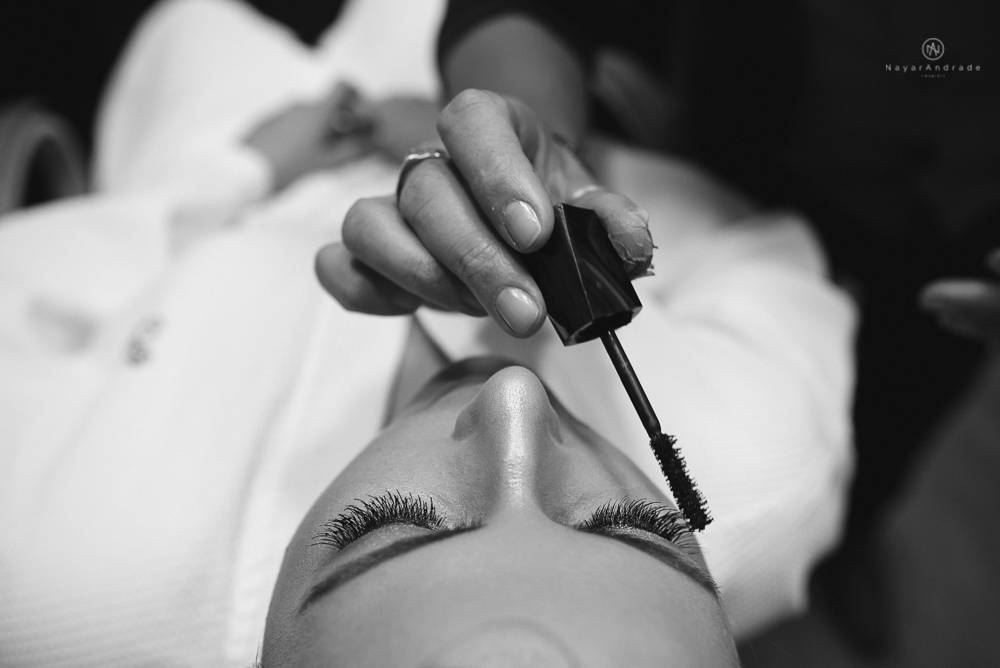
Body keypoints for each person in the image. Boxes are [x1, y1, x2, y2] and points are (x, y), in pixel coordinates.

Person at [0, 0, 853, 665]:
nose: (515, 396)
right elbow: (755, 248)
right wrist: (565, 158)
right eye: (630, 524)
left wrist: (251, 166)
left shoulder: (55, 577)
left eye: (396, 526)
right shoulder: (770, 475)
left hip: (242, 134)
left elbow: (41, 274)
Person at [364, 0, 1000, 652]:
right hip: (749, 145)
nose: (514, 405)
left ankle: (854, 533)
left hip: (956, 232)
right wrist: (536, 143)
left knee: (907, 395)